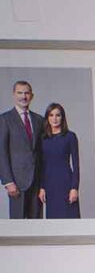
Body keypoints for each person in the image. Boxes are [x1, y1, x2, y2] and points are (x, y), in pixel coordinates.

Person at [0, 81, 44, 219]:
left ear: (32, 96)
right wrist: (8, 182)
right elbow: (1, 152)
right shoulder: (5, 119)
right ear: (14, 95)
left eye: (26, 93)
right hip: (17, 183)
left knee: (36, 226)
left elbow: (42, 152)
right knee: (18, 224)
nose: (23, 96)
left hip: (37, 182)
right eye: (20, 93)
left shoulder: (39, 120)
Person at [39, 103, 81, 219]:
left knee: (71, 221)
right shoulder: (43, 139)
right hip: (50, 185)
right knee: (54, 222)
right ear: (47, 118)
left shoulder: (70, 136)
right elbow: (42, 165)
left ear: (62, 117)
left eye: (58, 115)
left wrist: (74, 188)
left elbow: (76, 165)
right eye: (51, 115)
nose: (54, 118)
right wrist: (42, 187)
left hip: (66, 183)